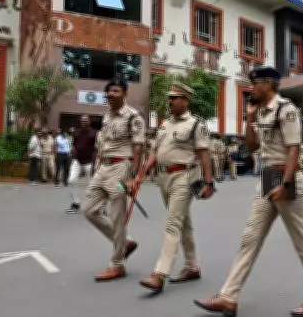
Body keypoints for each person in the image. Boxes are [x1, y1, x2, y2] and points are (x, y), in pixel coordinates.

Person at [193, 66, 303, 317]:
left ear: (269, 85)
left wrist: (286, 184)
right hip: (267, 176)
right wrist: (249, 118)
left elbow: (293, 149)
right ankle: (228, 297)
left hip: (284, 178)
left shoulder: (286, 110)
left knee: (302, 241)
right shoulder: (261, 112)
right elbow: (253, 146)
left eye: (256, 84)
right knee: (250, 239)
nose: (252, 88)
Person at [136, 83, 215, 293]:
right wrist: (141, 173)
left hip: (185, 176)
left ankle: (159, 274)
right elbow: (155, 151)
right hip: (163, 177)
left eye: (175, 98)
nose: (170, 101)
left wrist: (209, 182)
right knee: (183, 222)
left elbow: (204, 154)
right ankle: (192, 266)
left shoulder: (196, 124)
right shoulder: (164, 125)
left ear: (186, 101)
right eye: (169, 97)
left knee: (172, 224)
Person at [82, 79, 145, 281]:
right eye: (108, 91)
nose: (110, 94)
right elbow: (103, 144)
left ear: (125, 93)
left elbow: (138, 147)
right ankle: (125, 243)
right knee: (89, 210)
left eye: (115, 91)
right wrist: (97, 166)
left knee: (118, 216)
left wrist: (133, 177)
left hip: (121, 168)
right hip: (104, 167)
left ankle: (117, 264)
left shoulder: (133, 117)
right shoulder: (106, 116)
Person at [66, 115, 98, 214]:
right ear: (80, 122)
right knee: (71, 180)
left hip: (89, 162)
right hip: (77, 161)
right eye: (82, 120)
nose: (84, 122)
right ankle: (76, 203)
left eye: (86, 120)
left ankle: (98, 206)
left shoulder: (95, 133)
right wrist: (73, 156)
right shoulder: (76, 133)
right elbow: (74, 146)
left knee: (93, 185)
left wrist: (94, 163)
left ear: (89, 122)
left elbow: (97, 149)